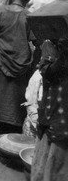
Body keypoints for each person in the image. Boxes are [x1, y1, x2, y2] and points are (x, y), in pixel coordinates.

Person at [0, 0, 33, 133]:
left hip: (1, 60)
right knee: (16, 96)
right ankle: (15, 131)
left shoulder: (0, 10)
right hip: (21, 61)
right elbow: (32, 39)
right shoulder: (28, 15)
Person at [31, 38, 68, 181]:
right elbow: (48, 72)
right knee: (46, 166)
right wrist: (64, 53)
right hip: (53, 113)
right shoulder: (50, 44)